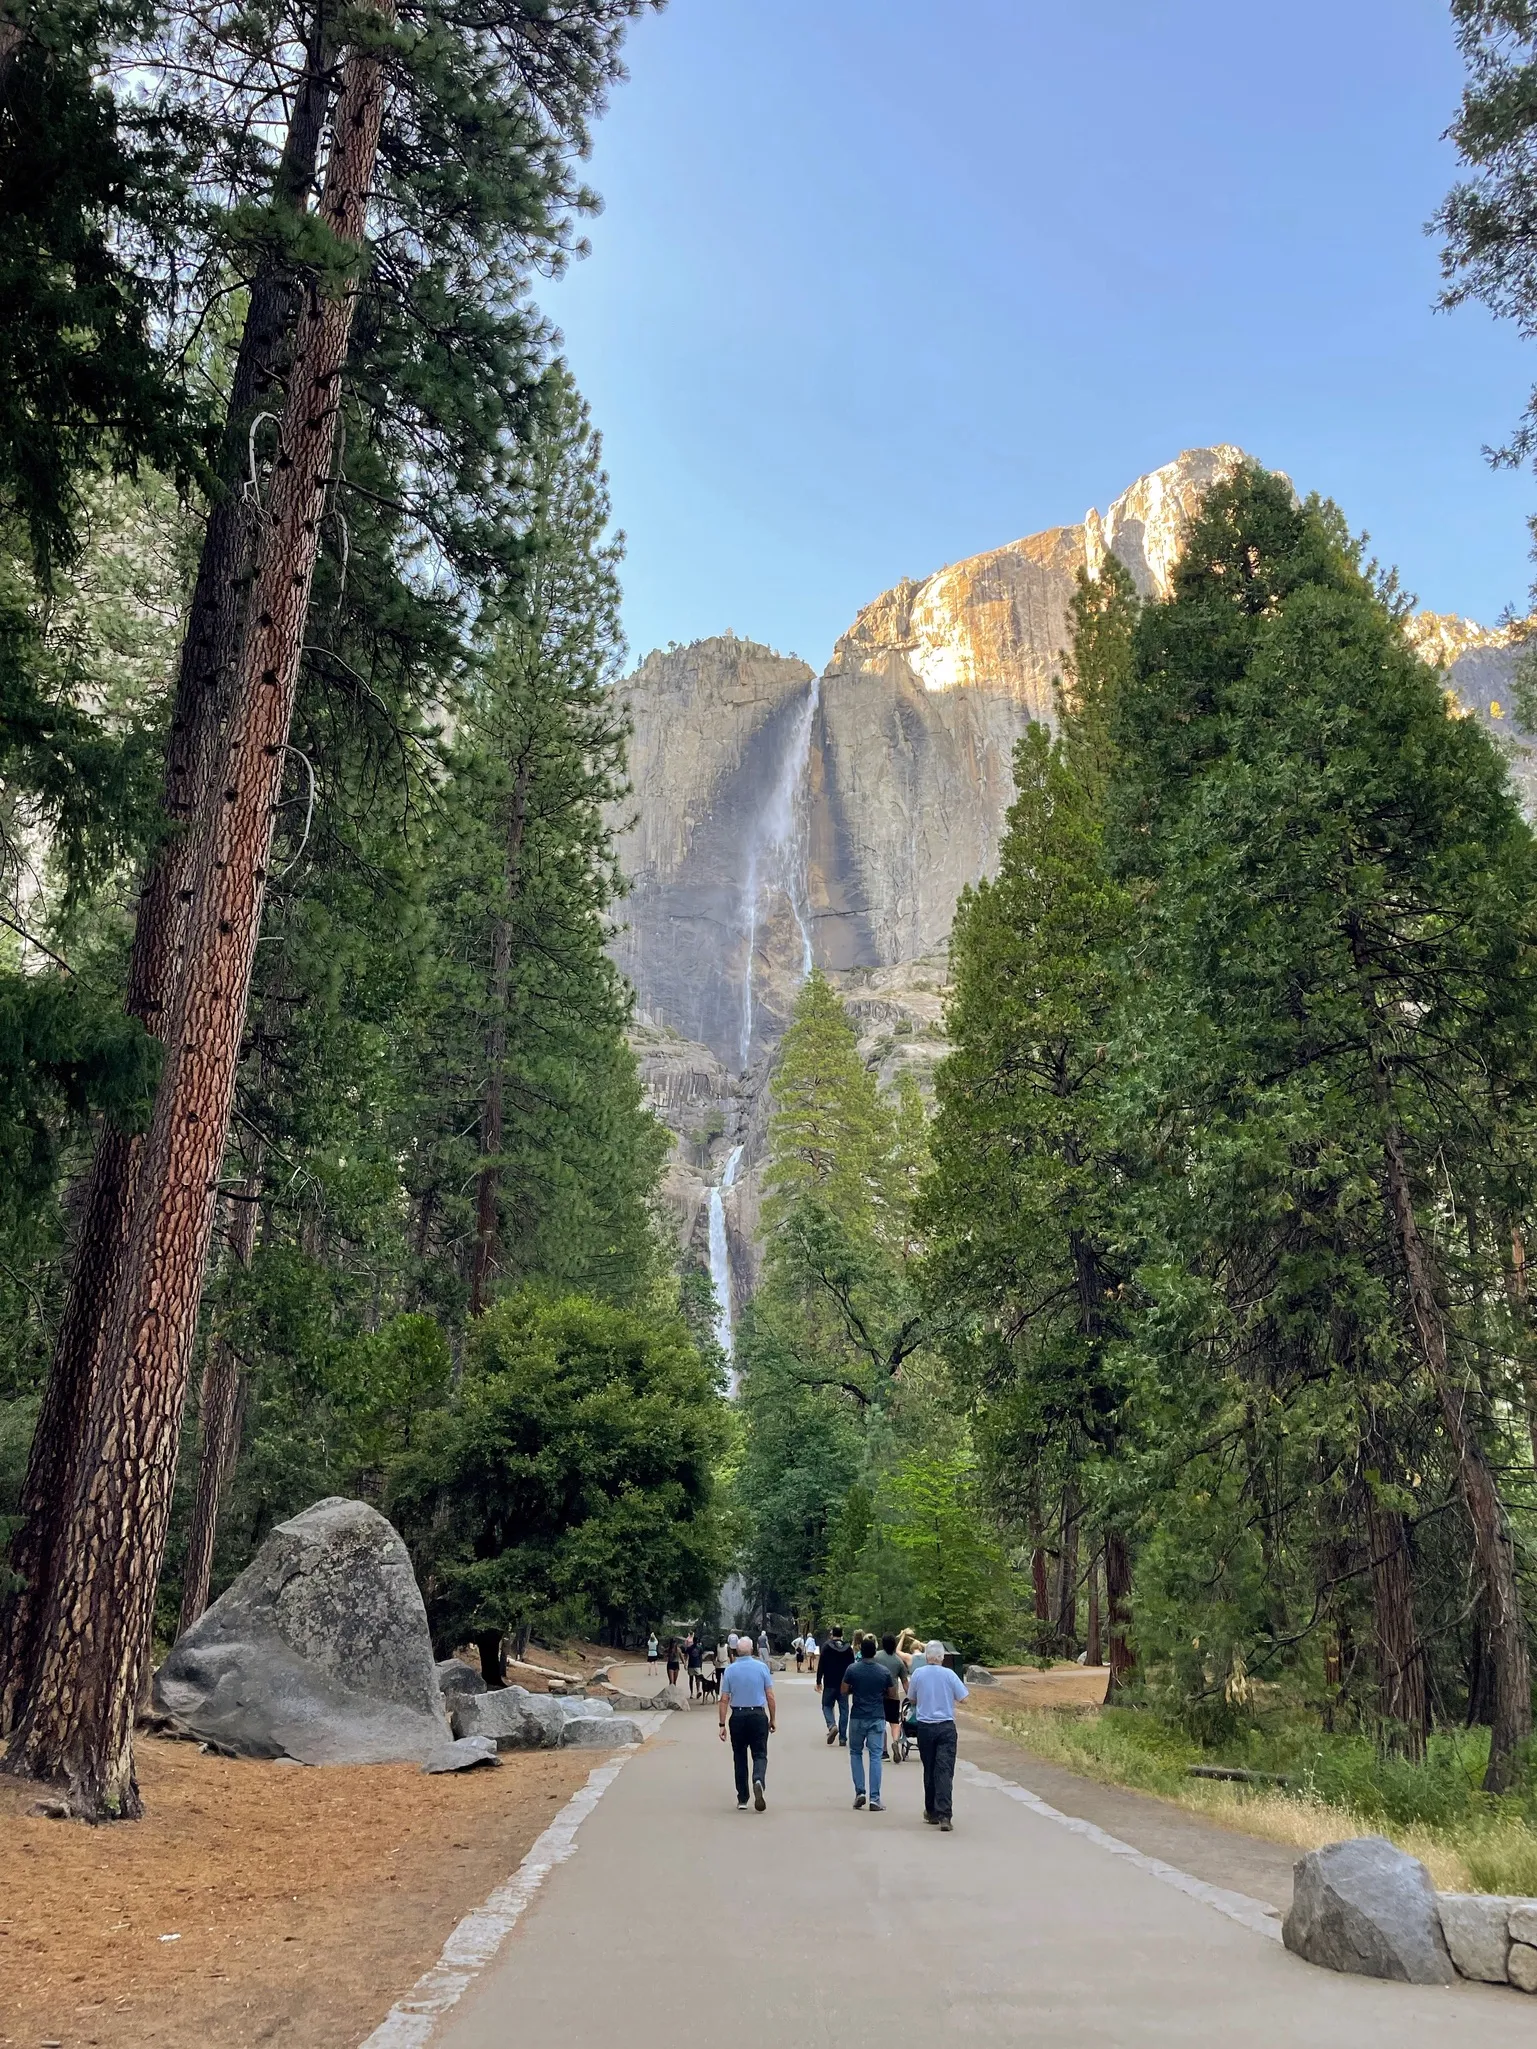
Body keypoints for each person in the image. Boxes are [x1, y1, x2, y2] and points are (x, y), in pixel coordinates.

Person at [908, 1639, 968, 1830]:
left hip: (925, 1727)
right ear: (942, 1657)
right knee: (944, 1770)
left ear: (926, 1657)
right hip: (946, 1727)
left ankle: (931, 1811)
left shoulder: (918, 1674)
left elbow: (911, 1698)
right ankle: (945, 1815)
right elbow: (964, 1698)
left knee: (930, 1768)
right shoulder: (949, 1675)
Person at [718, 1631, 775, 1810]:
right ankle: (758, 1780)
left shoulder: (730, 1670)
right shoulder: (762, 1667)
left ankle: (743, 1798)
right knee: (760, 1754)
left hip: (738, 1716)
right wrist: (772, 1719)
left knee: (739, 1756)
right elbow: (770, 1696)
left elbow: (724, 1699)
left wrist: (721, 1724)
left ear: (736, 1651)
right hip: (758, 1715)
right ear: (752, 1650)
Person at [841, 1635, 898, 1810]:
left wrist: (854, 1689)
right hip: (876, 1716)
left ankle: (860, 1792)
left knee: (855, 1753)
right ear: (874, 1652)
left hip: (858, 1716)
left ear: (861, 1652)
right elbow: (892, 1693)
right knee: (875, 1756)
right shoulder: (883, 1671)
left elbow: (843, 1690)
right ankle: (875, 1798)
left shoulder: (852, 1669)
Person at [815, 1625, 854, 1746]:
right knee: (844, 1710)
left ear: (832, 1634)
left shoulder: (827, 1647)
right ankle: (842, 1738)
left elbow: (821, 1664)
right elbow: (852, 1666)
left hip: (830, 1682)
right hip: (844, 1684)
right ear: (842, 1634)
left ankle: (832, 1725)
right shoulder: (848, 1648)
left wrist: (818, 1681)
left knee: (826, 1705)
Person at [874, 1633, 907, 1761]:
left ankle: (884, 1752)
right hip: (893, 1696)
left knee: (881, 1723)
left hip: (879, 1695)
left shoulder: (876, 1657)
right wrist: (910, 1696)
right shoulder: (898, 1661)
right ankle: (895, 1741)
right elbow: (905, 1681)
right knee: (894, 1722)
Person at [685, 1632, 704, 1699]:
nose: (696, 1642)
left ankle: (698, 1690)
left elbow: (701, 1657)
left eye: (696, 1641)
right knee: (691, 1679)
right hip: (691, 1665)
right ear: (693, 1641)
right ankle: (692, 1693)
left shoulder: (700, 1648)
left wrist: (701, 1665)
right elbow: (687, 1655)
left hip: (697, 1664)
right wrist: (686, 1662)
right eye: (695, 1641)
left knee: (698, 1679)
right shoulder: (690, 1648)